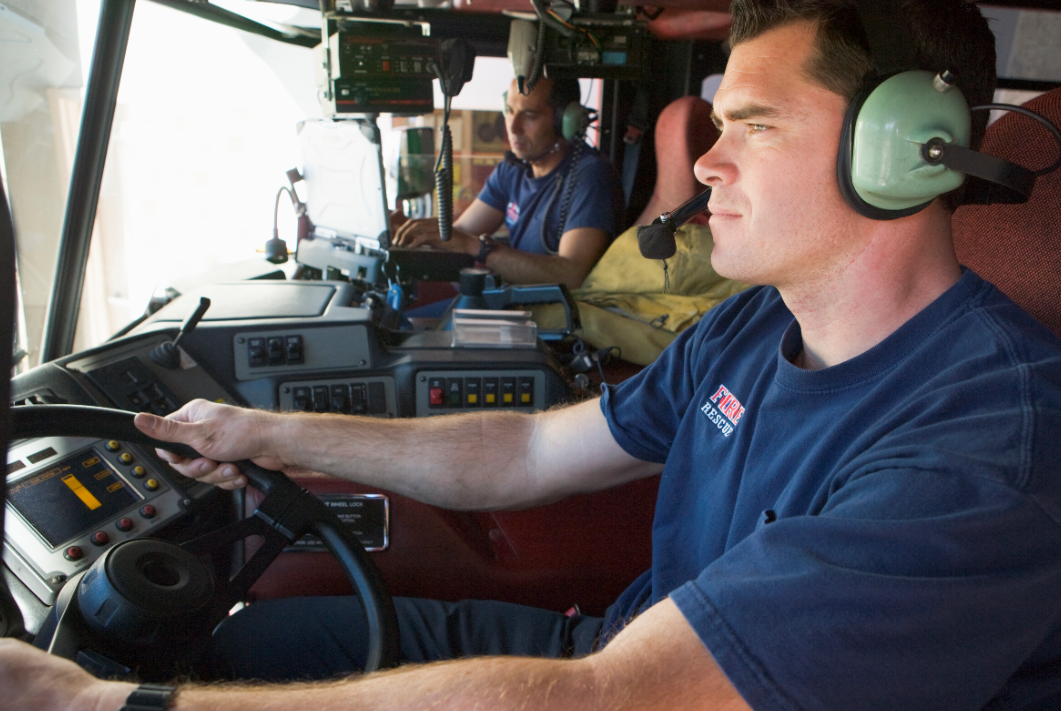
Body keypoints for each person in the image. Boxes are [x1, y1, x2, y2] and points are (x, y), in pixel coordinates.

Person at [4, 1, 1061, 709]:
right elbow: (522, 453)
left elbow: (615, 700)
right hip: (613, 645)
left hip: (636, 685)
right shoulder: (750, 326)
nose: (703, 159)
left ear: (902, 150)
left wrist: (90, 704)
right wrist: (266, 432)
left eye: (754, 124)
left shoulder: (984, 449)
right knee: (233, 648)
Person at [391, 76, 624, 290]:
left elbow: (573, 275)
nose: (512, 127)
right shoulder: (512, 170)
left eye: (530, 116)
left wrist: (478, 248)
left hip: (559, 322)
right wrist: (409, 232)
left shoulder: (591, 176)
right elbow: (461, 234)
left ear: (565, 121)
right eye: (510, 111)